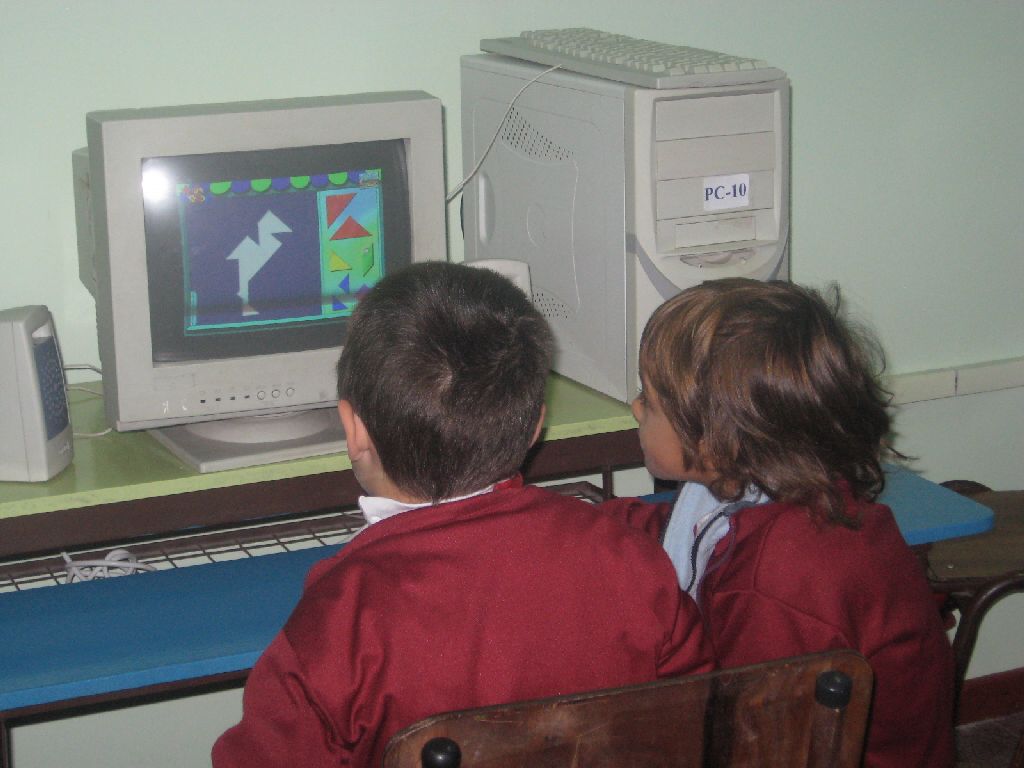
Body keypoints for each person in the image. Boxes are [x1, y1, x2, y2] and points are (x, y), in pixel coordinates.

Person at [212, 262, 713, 768]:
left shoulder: (343, 616)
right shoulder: (630, 560)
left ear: (354, 429)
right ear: (535, 425)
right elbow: (694, 724)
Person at [612, 278, 954, 768]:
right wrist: (573, 522)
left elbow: (757, 743)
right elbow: (673, 527)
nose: (636, 407)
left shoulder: (773, 585)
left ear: (719, 440)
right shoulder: (796, 487)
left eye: (650, 399)